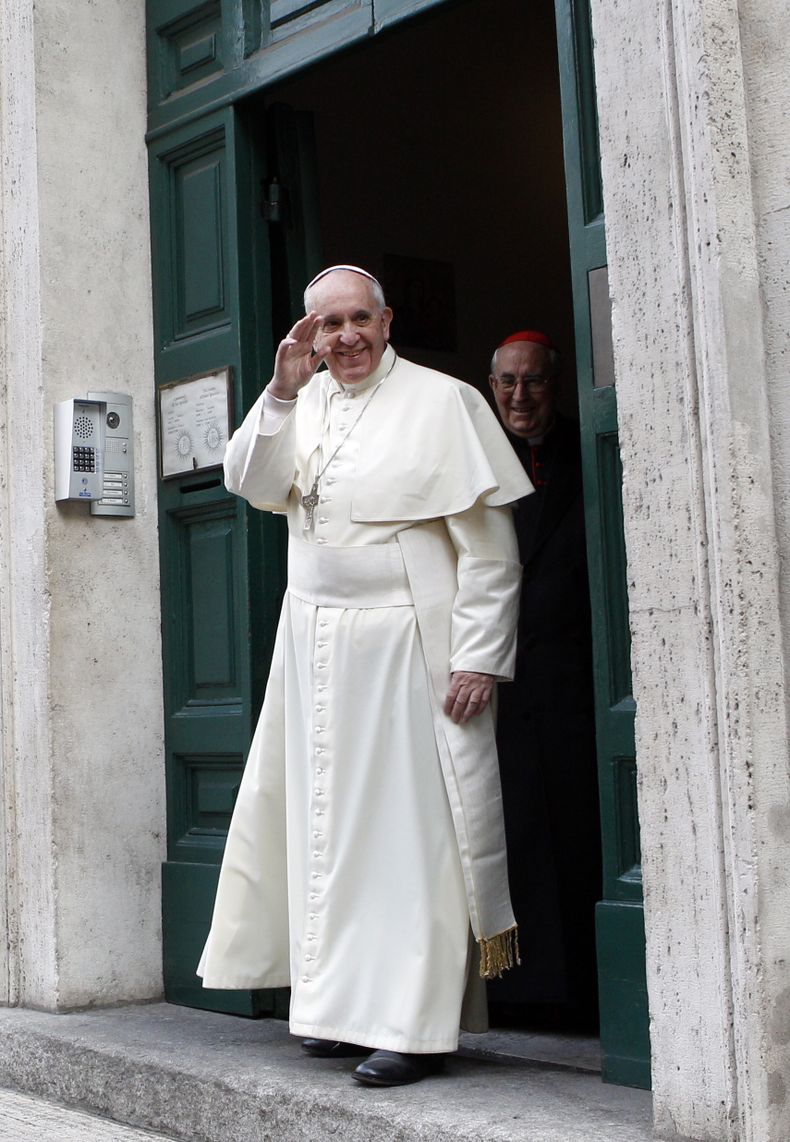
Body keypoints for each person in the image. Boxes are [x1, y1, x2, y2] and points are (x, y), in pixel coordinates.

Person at [198, 267, 532, 1086]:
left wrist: (477, 657)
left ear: (385, 322)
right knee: (326, 833)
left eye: (358, 320)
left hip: (406, 644)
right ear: (307, 334)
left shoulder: (444, 401)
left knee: (406, 836)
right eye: (327, 325)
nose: (344, 337)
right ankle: (339, 1011)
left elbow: (490, 553)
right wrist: (278, 393)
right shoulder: (301, 398)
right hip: (312, 645)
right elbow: (251, 481)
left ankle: (412, 1027)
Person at [487, 331, 601, 1029]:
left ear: (555, 385)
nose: (519, 397)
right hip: (495, 683)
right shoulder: (471, 454)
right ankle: (514, 996)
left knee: (575, 835)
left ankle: (581, 996)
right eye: (506, 383)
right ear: (490, 384)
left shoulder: (589, 449)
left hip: (569, 680)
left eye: (533, 382)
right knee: (511, 837)